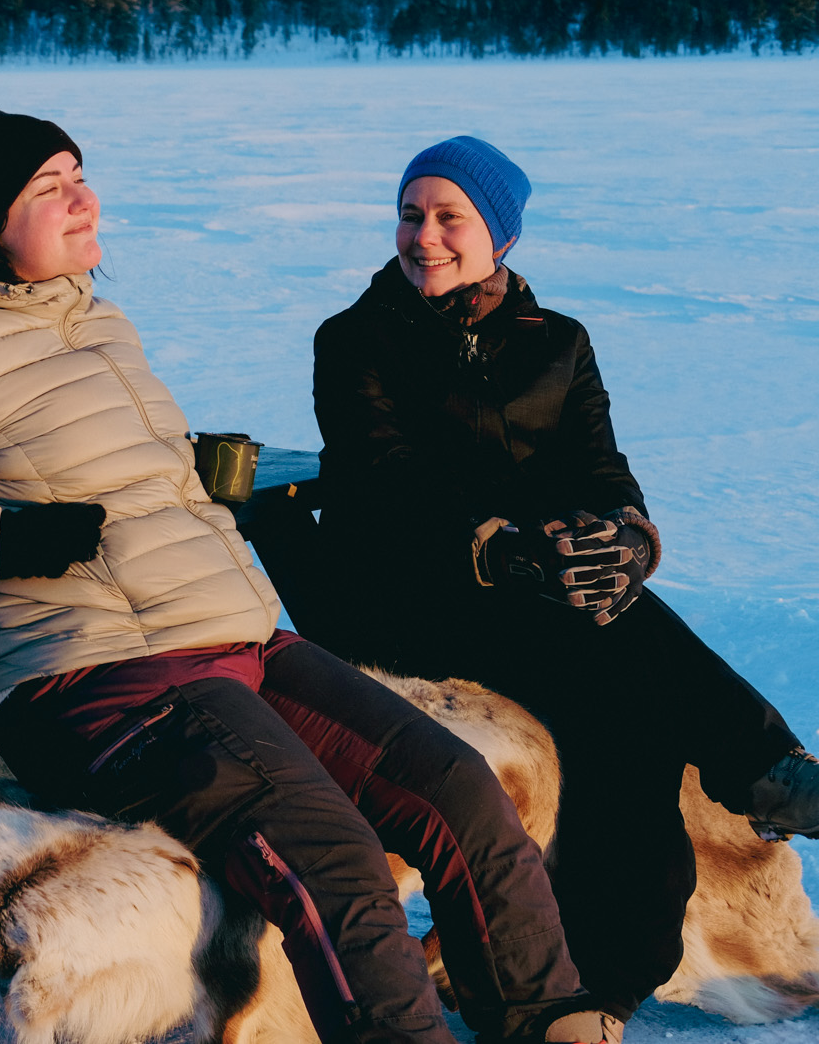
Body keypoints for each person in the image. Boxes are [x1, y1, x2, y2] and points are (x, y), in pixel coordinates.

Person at [0, 106, 617, 1044]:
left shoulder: (92, 318)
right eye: (50, 189)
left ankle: (542, 1020)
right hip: (105, 675)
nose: (83, 199)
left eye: (79, 174)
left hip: (234, 637)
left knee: (458, 790)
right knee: (336, 863)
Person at [302, 135, 818, 1023]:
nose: (424, 236)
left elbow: (601, 466)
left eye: (449, 217)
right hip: (407, 592)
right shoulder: (355, 340)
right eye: (411, 215)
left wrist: (625, 540)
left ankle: (605, 978)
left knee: (628, 687)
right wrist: (501, 546)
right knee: (625, 672)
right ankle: (763, 771)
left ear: (498, 234)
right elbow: (386, 480)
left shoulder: (561, 343)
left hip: (538, 589)